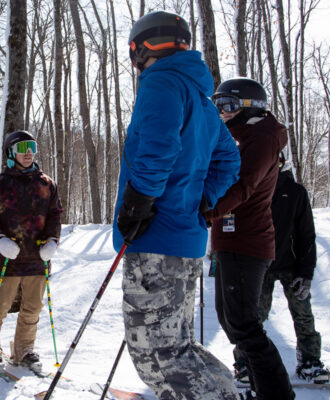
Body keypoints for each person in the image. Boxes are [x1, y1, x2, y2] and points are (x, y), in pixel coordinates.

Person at [113, 11, 242, 400]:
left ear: (141, 48)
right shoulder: (201, 99)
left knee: (157, 359)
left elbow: (158, 146)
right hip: (184, 241)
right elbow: (230, 161)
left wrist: (139, 202)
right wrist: (202, 199)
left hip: (156, 239)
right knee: (179, 349)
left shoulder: (161, 82)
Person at [204, 78, 295, 399]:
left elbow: (243, 186)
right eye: (218, 106)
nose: (222, 113)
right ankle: (262, 389)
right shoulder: (242, 137)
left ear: (249, 106)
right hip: (229, 240)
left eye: (228, 105)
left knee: (244, 324)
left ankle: (276, 394)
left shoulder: (261, 138)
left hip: (247, 240)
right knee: (232, 323)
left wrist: (204, 210)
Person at [232, 152, 330, 384]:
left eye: (274, 162)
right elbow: (234, 228)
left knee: (303, 315)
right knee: (254, 317)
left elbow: (307, 235)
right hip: (259, 265)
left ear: (281, 163)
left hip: (292, 266)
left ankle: (310, 362)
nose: (269, 166)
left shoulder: (296, 192)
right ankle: (245, 363)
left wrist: (306, 274)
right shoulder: (250, 190)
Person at [0, 130, 62, 371]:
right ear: (11, 152)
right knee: (0, 305)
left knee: (33, 307)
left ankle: (24, 349)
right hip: (9, 258)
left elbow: (55, 215)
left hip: (37, 257)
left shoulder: (46, 184)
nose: (28, 152)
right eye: (23, 147)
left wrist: (53, 241)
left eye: (32, 147)